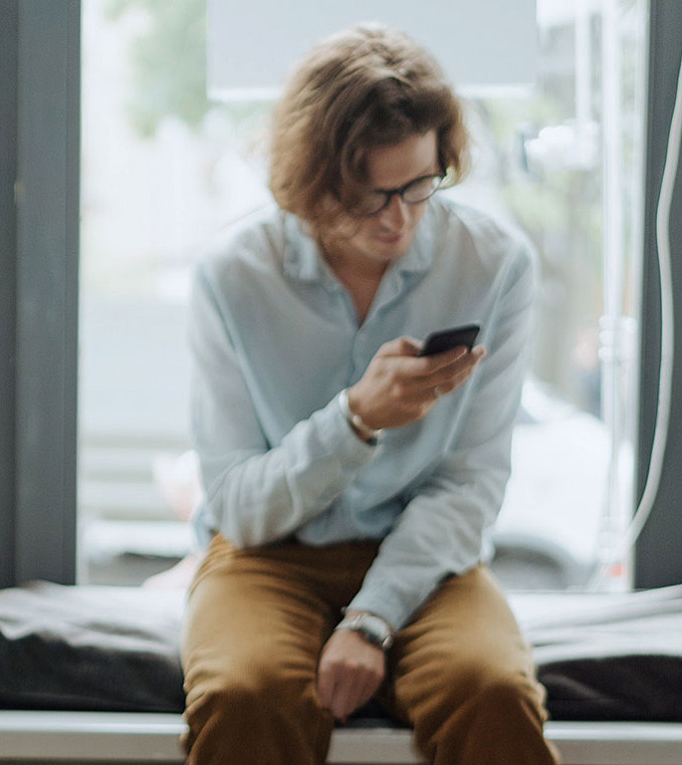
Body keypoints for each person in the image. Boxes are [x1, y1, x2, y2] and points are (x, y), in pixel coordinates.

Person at [179, 23, 559, 765]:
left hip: (428, 557)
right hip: (266, 555)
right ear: (313, 181)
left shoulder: (495, 265)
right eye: (369, 195)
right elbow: (238, 507)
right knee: (245, 694)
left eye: (419, 185)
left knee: (492, 691)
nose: (398, 218)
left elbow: (471, 484)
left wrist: (372, 619)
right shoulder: (232, 276)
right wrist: (355, 420)